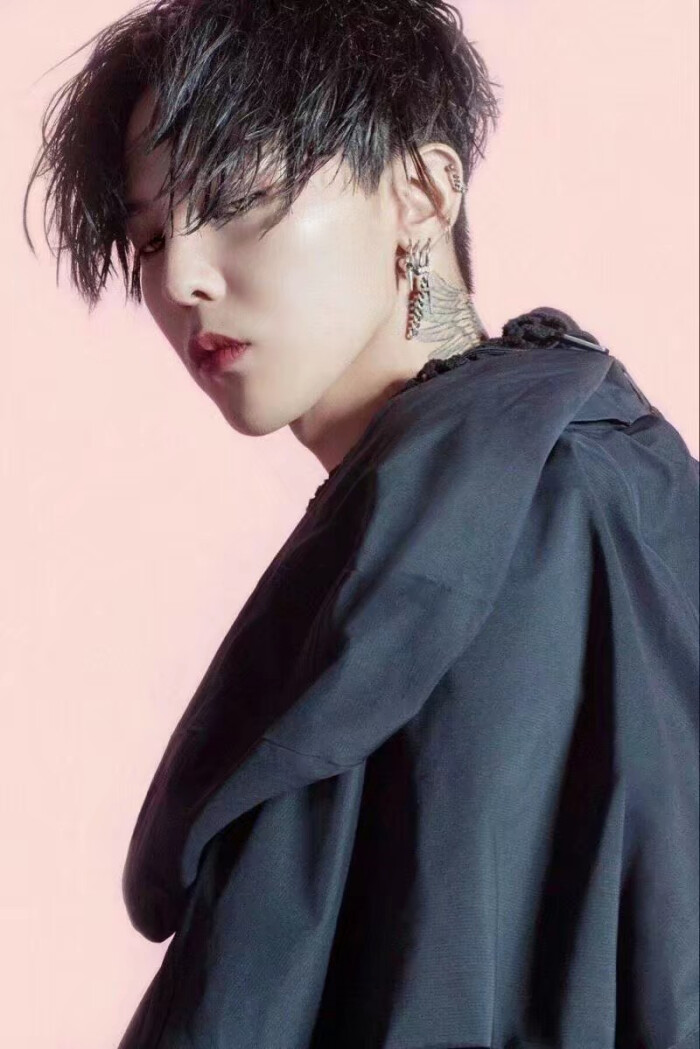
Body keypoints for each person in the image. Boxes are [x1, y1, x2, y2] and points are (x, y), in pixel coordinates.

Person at [23, 2, 699, 1047]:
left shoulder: (528, 514)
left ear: (420, 192)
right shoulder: (438, 503)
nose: (181, 275)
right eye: (151, 234)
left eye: (235, 195)